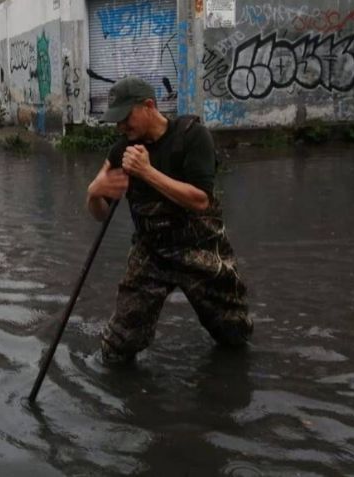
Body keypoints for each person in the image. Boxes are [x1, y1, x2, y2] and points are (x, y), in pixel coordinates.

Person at [86, 76, 253, 363]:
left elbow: (201, 199)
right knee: (116, 349)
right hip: (151, 253)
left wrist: (146, 172)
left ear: (149, 106)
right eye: (116, 121)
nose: (121, 127)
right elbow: (102, 214)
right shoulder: (121, 151)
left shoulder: (192, 136)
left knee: (235, 336)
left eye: (126, 118)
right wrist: (93, 194)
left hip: (200, 247)